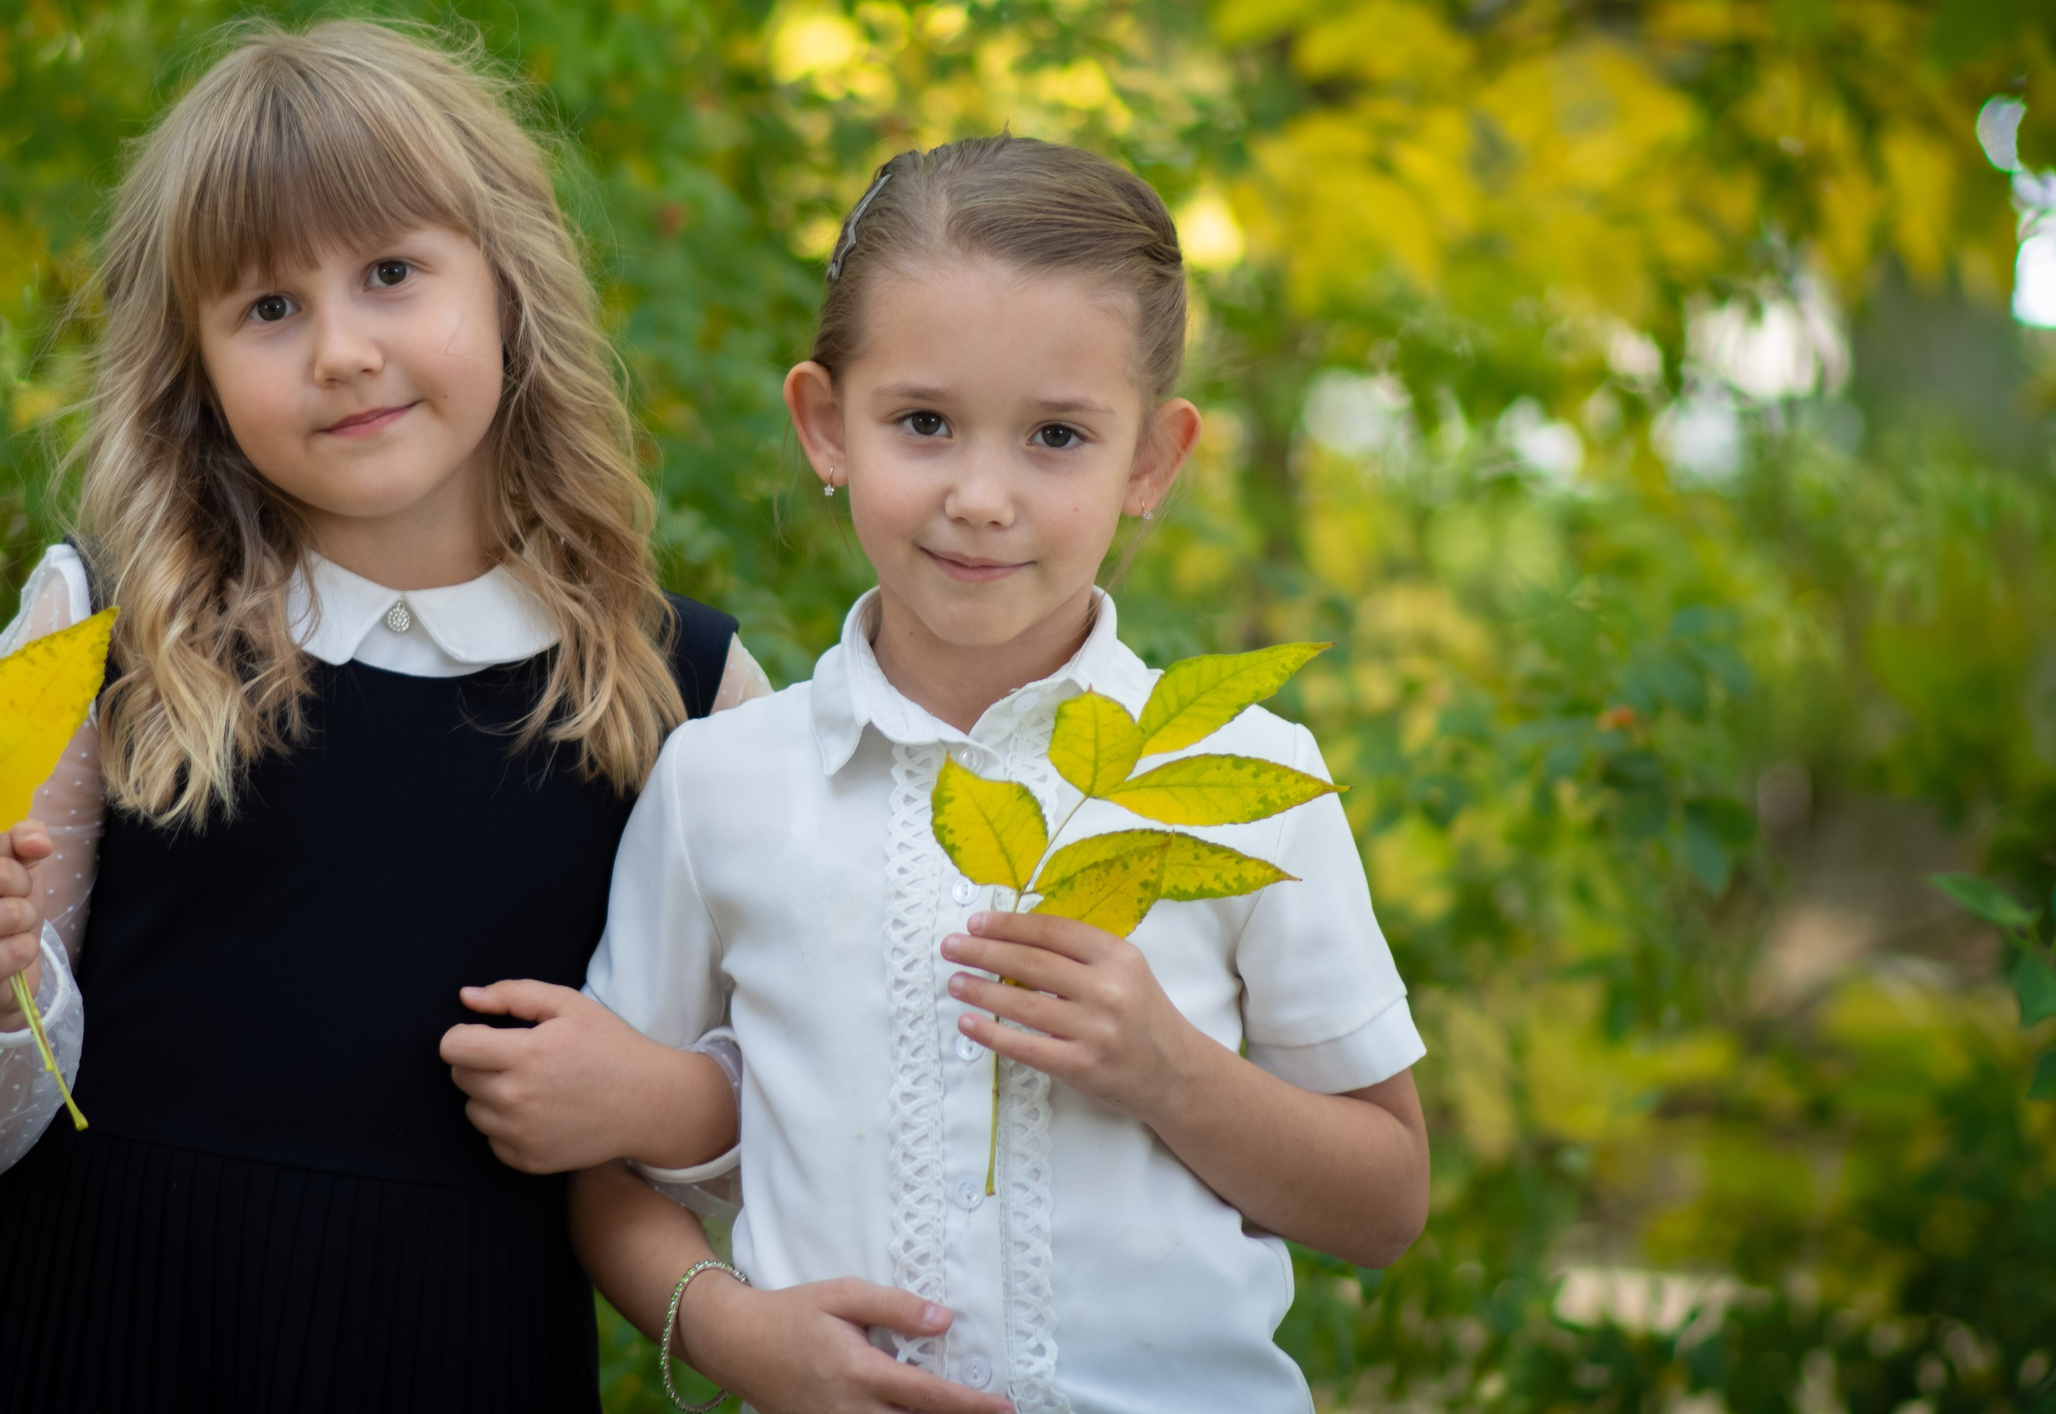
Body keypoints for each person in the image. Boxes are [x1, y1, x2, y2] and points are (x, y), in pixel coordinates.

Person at [0, 19, 766, 1413]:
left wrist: (652, 1100)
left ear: (509, 282)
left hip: (458, 1350)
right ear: (196, 363)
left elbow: (806, 1097)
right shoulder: (100, 633)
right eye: (269, 308)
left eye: (392, 274)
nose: (342, 349)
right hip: (100, 1335)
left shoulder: (683, 685)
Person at [460, 135, 1430, 1414]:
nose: (980, 494)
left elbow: (1382, 1202)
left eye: (1055, 437)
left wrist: (1163, 1066)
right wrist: (732, 1334)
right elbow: (613, 1167)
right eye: (923, 423)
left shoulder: (1242, 773)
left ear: (1151, 461)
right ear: (825, 425)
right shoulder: (720, 786)